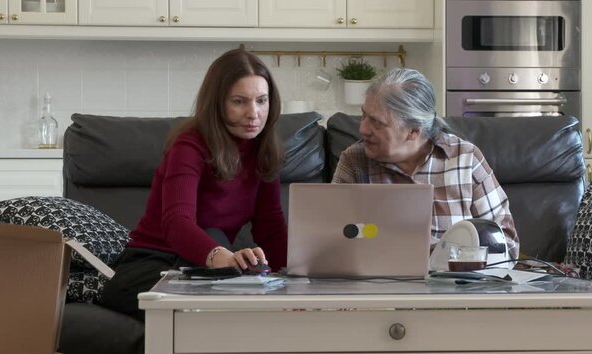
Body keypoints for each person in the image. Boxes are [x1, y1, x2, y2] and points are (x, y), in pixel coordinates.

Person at [100, 48, 287, 320]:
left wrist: (300, 277)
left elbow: (271, 229)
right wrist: (222, 258)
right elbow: (177, 222)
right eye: (239, 101)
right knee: (218, 250)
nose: (253, 113)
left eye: (261, 100)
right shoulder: (189, 145)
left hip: (205, 265)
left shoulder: (263, 150)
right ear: (217, 103)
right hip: (154, 261)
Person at [331, 67, 519, 259]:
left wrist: (451, 259)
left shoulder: (465, 158)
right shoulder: (354, 161)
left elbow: (507, 244)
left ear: (413, 131)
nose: (362, 128)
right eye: (363, 115)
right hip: (379, 285)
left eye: (377, 122)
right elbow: (330, 240)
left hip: (455, 284)